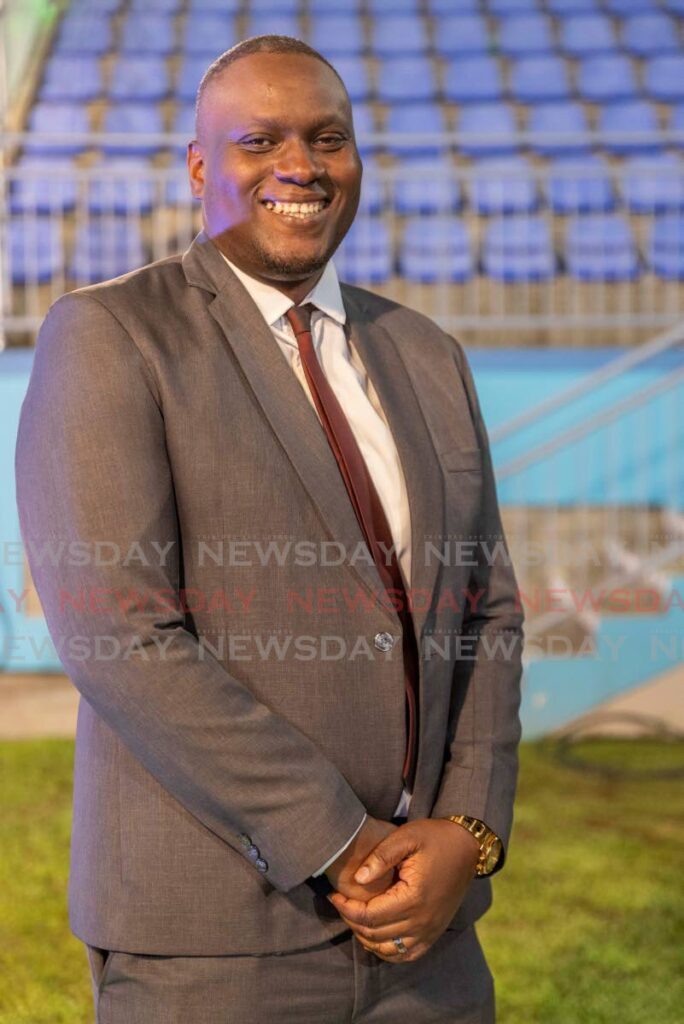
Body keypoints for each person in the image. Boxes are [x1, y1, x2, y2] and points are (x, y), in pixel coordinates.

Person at [14, 35, 524, 1024]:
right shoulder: (112, 335)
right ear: (201, 165)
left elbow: (487, 608)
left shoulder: (426, 353)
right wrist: (341, 840)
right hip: (214, 942)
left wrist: (466, 829)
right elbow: (118, 632)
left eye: (328, 138)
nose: (302, 164)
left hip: (430, 937)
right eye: (262, 139)